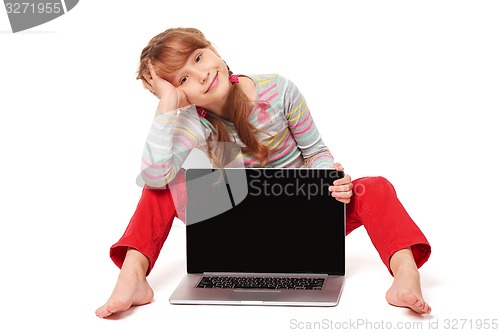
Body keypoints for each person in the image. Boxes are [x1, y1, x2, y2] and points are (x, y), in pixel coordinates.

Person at [95, 27, 432, 318]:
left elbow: (315, 152)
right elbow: (155, 175)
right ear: (180, 96)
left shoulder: (279, 90)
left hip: (307, 218)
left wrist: (330, 180)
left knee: (374, 187)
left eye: (198, 58)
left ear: (213, 49)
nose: (201, 75)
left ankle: (404, 273)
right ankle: (133, 277)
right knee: (159, 188)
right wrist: (167, 105)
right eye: (183, 79)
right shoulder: (192, 121)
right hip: (241, 231)